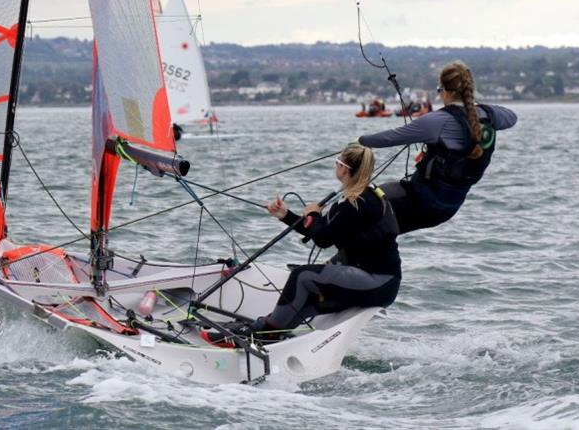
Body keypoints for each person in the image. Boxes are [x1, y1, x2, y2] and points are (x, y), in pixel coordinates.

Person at [202, 144, 401, 345]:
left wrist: (313, 213)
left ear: (344, 168)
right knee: (311, 296)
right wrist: (285, 215)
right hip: (374, 279)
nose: (336, 166)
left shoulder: (358, 202)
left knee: (303, 276)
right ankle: (270, 333)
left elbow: (322, 239)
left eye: (337, 162)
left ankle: (262, 332)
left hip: (378, 282)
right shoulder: (359, 198)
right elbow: (322, 230)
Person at [357, 60, 517, 234]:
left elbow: (388, 139)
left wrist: (360, 140)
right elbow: (512, 116)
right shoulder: (489, 115)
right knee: (381, 229)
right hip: (450, 207)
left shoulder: (437, 121)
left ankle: (345, 258)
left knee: (363, 203)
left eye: (440, 90)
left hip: (424, 201)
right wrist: (480, 108)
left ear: (445, 91)